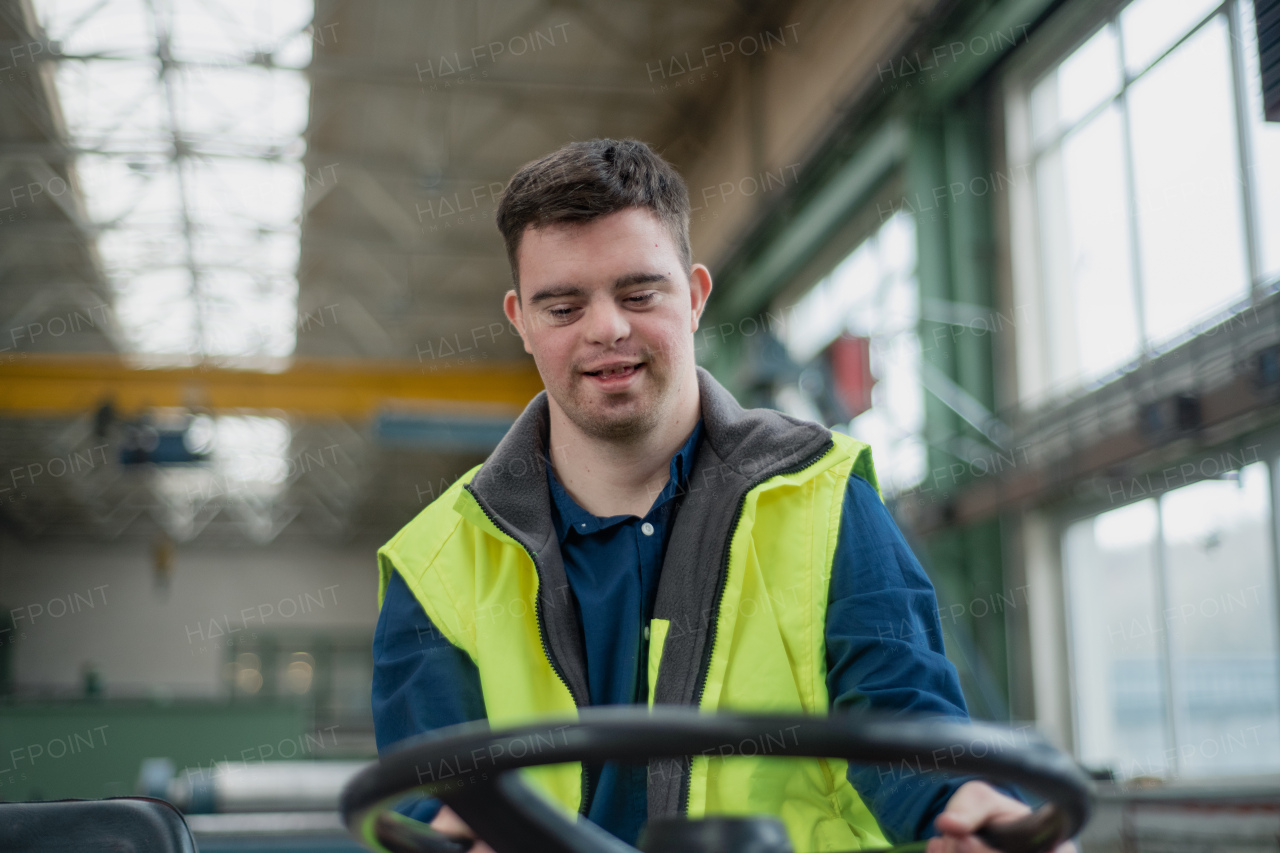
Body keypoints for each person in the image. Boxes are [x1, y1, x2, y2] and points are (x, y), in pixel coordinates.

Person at [372, 138, 1062, 853]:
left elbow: (906, 726)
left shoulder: (823, 502)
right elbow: (434, 797)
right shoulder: (437, 566)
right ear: (520, 320)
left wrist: (968, 803)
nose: (607, 328)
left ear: (695, 295)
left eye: (639, 294)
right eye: (563, 306)